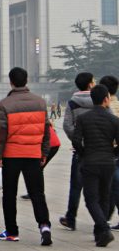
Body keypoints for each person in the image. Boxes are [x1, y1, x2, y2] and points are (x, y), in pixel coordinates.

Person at [0, 67, 52, 246]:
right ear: (26, 81)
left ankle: (12, 231)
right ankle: (44, 226)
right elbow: (46, 131)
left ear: (11, 82)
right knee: (37, 193)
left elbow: (1, 132)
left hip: (12, 155)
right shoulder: (40, 102)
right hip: (34, 154)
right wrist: (44, 153)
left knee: (9, 194)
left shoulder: (5, 104)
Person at [72, 84, 119, 247]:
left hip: (90, 162)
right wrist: (113, 154)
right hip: (108, 163)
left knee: (91, 199)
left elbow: (76, 140)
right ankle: (100, 233)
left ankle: (104, 230)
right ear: (106, 99)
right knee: (104, 198)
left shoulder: (83, 118)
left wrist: (83, 153)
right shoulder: (114, 120)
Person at [60, 72, 96, 231]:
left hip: (81, 152)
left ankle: (71, 218)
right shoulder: (100, 99)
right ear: (90, 84)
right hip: (100, 150)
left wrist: (78, 142)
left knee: (76, 186)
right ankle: (101, 219)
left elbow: (67, 125)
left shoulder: (73, 102)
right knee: (103, 187)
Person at [98, 75, 119, 230]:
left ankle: (104, 218)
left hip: (109, 152)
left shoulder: (107, 108)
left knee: (111, 187)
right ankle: (104, 217)